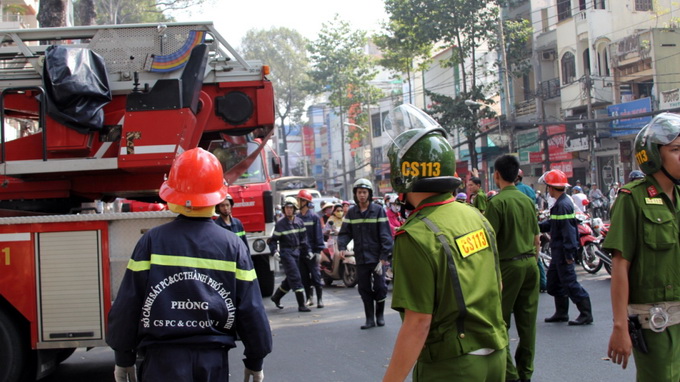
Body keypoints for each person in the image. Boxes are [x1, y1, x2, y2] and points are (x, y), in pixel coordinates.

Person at [106, 148, 271, 382]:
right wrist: (255, 359)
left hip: (161, 362)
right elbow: (251, 309)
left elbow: (129, 303)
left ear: (173, 194)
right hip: (212, 363)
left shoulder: (152, 241)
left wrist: (123, 357)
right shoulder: (233, 246)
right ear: (217, 196)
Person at [382, 110, 507, 381]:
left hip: (452, 367)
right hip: (496, 356)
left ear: (404, 174)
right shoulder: (475, 215)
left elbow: (418, 323)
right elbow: (497, 286)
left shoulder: (415, 234)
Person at [604, 113, 680, 381]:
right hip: (655, 323)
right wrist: (619, 326)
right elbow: (620, 266)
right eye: (676, 150)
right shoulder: (632, 199)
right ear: (654, 155)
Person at [484, 155, 540, 382]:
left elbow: (489, 244)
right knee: (527, 325)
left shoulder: (496, 203)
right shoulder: (527, 200)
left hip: (508, 267)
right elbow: (537, 239)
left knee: (499, 322)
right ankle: (526, 373)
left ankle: (510, 375)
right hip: (530, 265)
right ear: (517, 174)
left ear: (496, 174)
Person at [538, 169, 593, 326]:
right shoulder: (559, 203)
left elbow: (568, 231)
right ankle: (561, 313)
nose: (547, 190)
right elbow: (553, 224)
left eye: (548, 186)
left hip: (563, 251)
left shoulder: (563, 204)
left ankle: (586, 314)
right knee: (554, 283)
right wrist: (537, 226)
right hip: (557, 250)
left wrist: (569, 254)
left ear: (552, 187)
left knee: (570, 283)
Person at [338, 178, 392, 330]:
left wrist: (383, 258)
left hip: (377, 259)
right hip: (361, 258)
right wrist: (342, 246)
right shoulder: (352, 213)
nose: (362, 195)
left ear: (369, 194)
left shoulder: (378, 210)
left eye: (364, 192)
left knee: (381, 287)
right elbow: (344, 233)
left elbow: (386, 236)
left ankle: (380, 315)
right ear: (355, 194)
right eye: (359, 192)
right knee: (364, 288)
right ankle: (369, 319)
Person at [269, 197, 312, 312]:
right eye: (286, 208)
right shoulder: (280, 224)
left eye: (290, 208)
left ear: (295, 209)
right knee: (296, 277)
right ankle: (301, 305)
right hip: (286, 253)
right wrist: (274, 252)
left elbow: (304, 239)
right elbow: (273, 240)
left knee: (290, 279)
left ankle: (276, 297)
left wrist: (308, 251)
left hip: (297, 253)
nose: (288, 210)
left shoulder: (299, 222)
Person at [296, 190, 325, 308]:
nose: (297, 202)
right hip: (300, 253)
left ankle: (320, 299)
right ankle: (309, 298)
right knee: (304, 277)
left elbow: (319, 235)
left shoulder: (314, 217)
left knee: (316, 276)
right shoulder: (296, 217)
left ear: (305, 202)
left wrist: (318, 251)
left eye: (299, 200)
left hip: (312, 252)